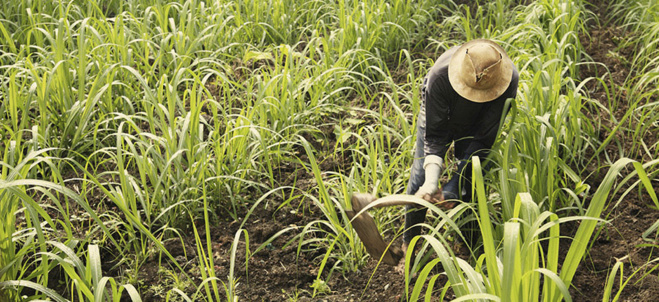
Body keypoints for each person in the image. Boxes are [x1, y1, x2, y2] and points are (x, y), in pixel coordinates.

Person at [402, 39, 519, 259]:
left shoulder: (508, 79)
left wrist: (455, 184)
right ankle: (410, 244)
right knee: (419, 180)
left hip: (476, 126)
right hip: (442, 116)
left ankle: (465, 242)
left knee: (470, 183)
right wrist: (431, 181)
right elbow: (434, 136)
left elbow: (484, 139)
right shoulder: (440, 76)